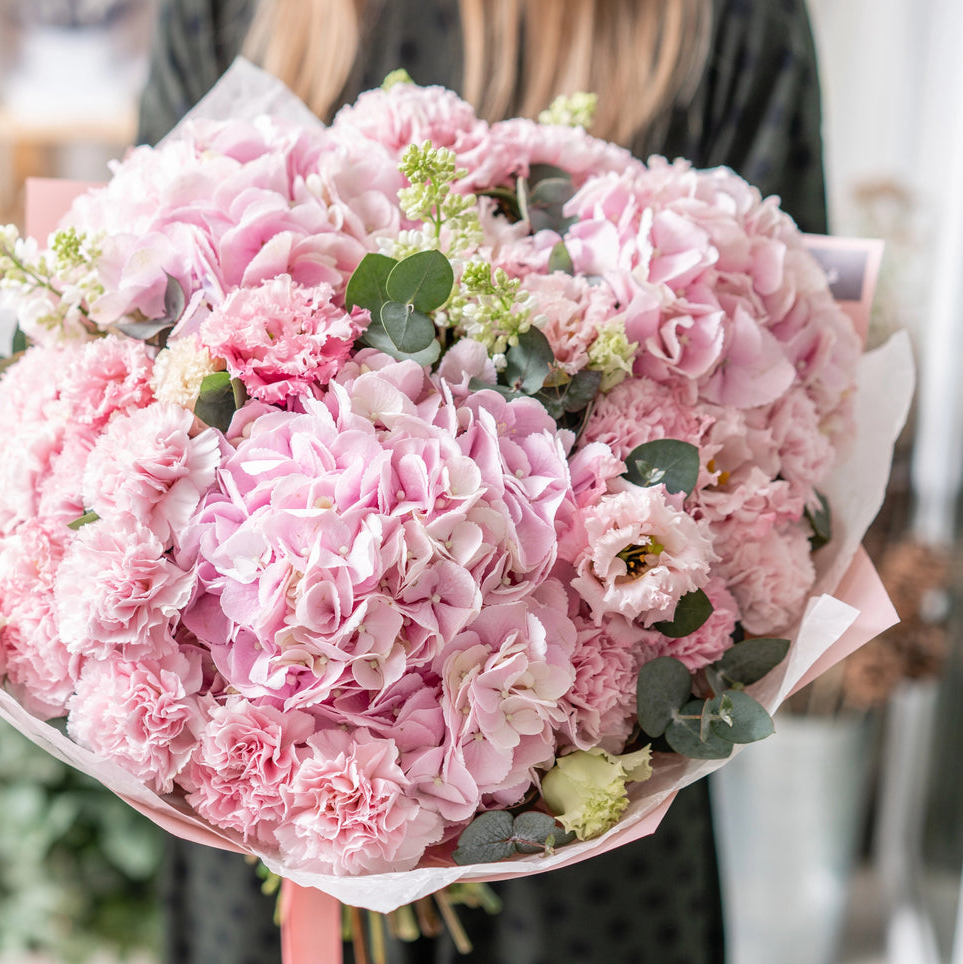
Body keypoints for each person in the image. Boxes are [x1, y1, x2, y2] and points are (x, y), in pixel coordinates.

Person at [136, 2, 829, 962]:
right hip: (279, 807)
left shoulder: (725, 21)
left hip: (578, 831)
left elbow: (784, 389)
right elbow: (148, 317)